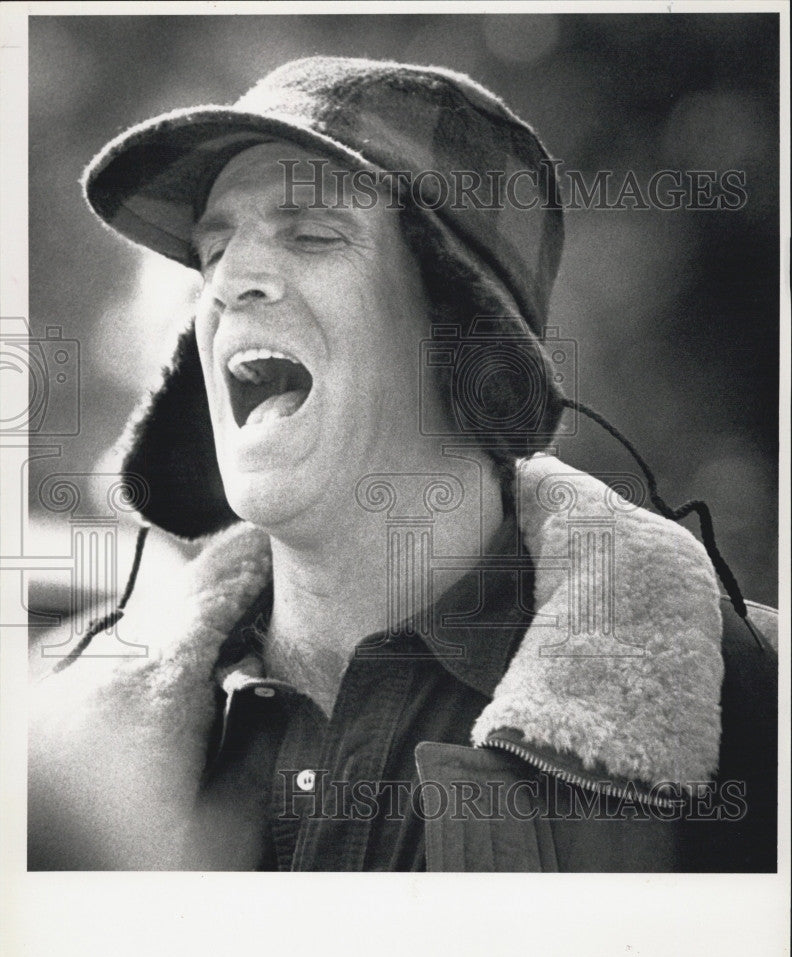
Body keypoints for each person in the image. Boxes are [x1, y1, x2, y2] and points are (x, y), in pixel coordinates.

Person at [28, 56, 777, 872]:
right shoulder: (57, 741)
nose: (228, 284)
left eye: (311, 234)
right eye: (213, 253)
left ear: (471, 340)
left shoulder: (749, 703)